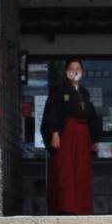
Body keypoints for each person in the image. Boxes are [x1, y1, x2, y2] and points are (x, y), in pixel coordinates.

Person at [41, 58, 100, 215]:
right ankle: (65, 207)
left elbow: (92, 116)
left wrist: (94, 139)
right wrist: (54, 132)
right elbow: (52, 111)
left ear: (82, 72)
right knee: (64, 170)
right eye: (71, 68)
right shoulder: (58, 90)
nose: (74, 70)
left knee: (82, 171)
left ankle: (82, 207)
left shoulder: (85, 92)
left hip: (83, 135)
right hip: (66, 133)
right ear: (66, 71)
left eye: (77, 68)